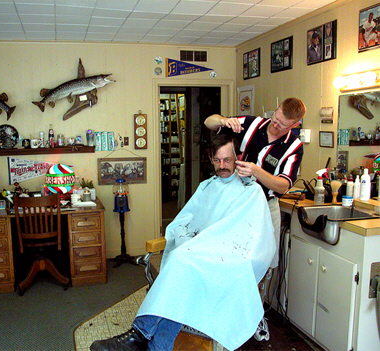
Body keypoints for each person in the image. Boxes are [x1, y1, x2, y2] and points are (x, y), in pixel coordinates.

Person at [90, 134, 276, 351]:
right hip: (201, 257)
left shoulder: (251, 191)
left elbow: (255, 240)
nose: (222, 165)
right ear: (211, 159)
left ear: (238, 158)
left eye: (227, 159)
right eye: (217, 160)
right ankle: (152, 344)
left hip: (231, 263)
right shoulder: (207, 187)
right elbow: (186, 221)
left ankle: (139, 334)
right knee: (183, 278)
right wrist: (195, 241)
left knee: (181, 264)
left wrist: (212, 247)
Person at [204, 97, 306, 341]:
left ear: (295, 124)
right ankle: (221, 312)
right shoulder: (252, 124)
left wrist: (258, 171)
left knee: (261, 263)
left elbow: (283, 186)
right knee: (227, 255)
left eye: (283, 124)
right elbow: (209, 123)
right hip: (234, 202)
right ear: (276, 110)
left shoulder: (294, 146)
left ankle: (253, 315)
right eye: (276, 118)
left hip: (264, 206)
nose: (276, 125)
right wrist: (223, 120)